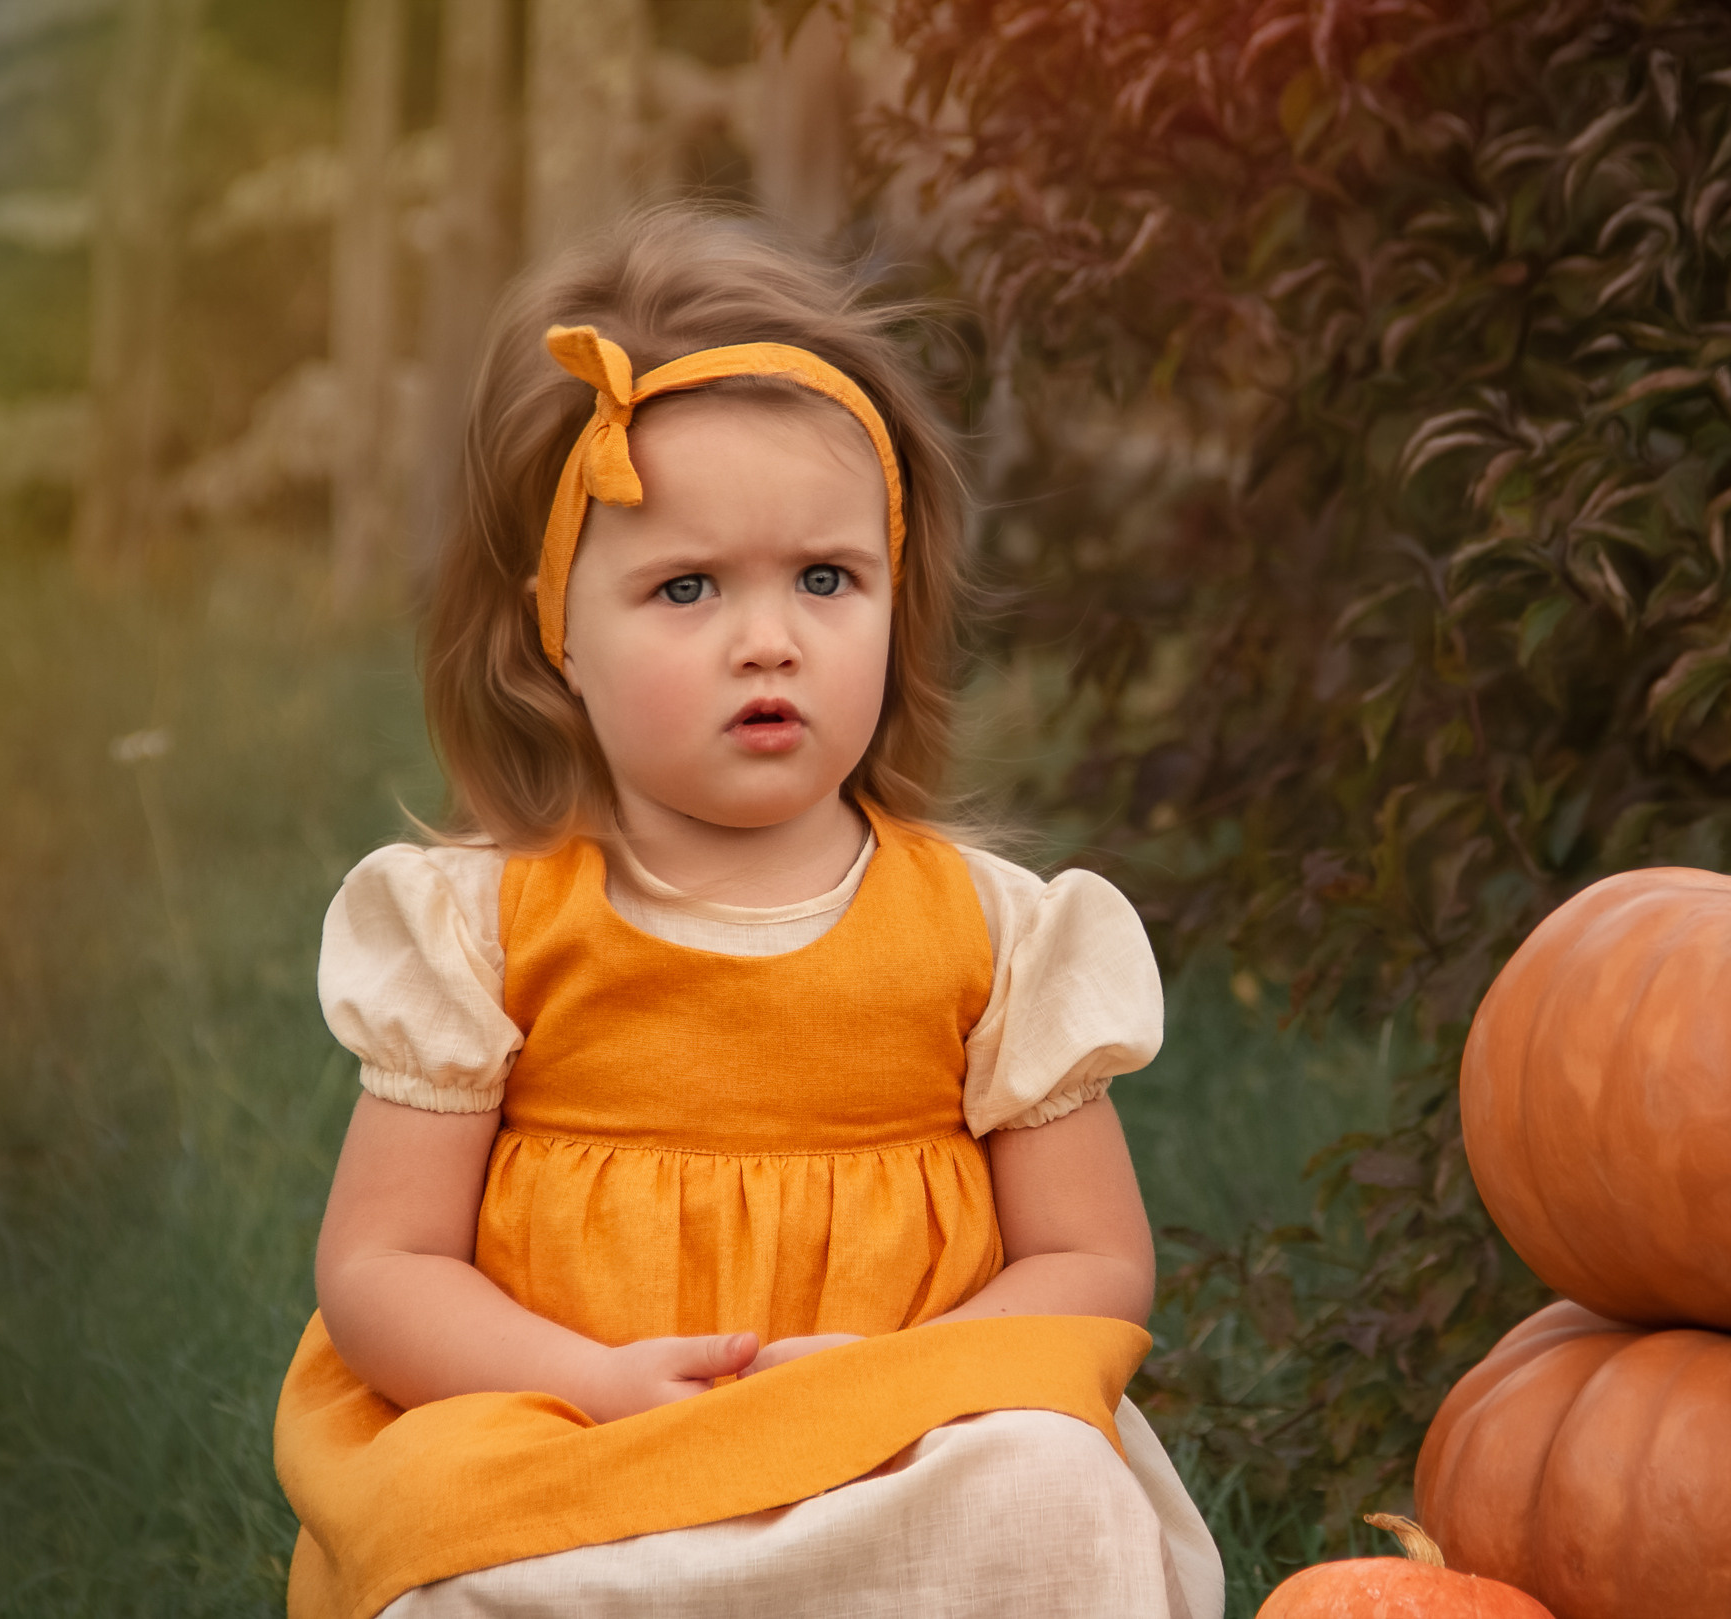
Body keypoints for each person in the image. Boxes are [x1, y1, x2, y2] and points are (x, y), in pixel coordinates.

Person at [272, 206, 1224, 1619]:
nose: (768, 636)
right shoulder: (483, 923)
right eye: (688, 585)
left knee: (1050, 1489)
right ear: (558, 636)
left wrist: (902, 1381)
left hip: (896, 1441)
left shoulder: (992, 931)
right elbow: (381, 1263)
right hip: (581, 1442)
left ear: (901, 604)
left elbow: (1091, 1262)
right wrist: (586, 1382)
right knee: (447, 1558)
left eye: (827, 579)